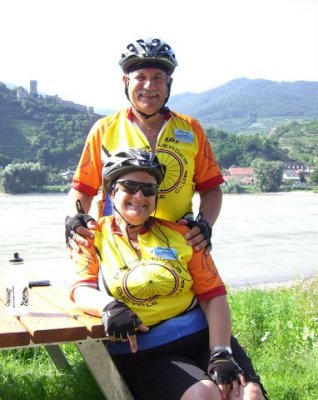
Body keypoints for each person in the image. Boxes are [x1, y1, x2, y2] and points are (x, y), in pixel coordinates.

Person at [66, 37, 267, 399]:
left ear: (169, 85)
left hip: (180, 242)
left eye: (158, 78)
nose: (149, 86)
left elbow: (211, 188)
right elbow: (82, 187)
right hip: (120, 248)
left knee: (246, 392)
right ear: (125, 83)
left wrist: (204, 225)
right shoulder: (104, 130)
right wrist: (75, 219)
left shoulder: (190, 129)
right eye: (140, 76)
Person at [70, 149, 266, 400]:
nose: (140, 195)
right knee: (203, 395)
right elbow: (80, 288)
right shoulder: (90, 237)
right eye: (130, 186)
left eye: (149, 189)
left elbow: (213, 295)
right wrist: (109, 306)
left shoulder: (183, 235)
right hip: (146, 351)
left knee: (249, 395)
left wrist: (221, 351)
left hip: (203, 338)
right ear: (111, 191)